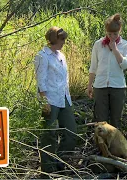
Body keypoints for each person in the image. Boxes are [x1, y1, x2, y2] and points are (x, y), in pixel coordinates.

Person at [34, 26, 77, 176]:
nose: (64, 42)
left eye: (64, 39)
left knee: (71, 132)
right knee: (49, 135)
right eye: (61, 39)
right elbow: (41, 80)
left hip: (64, 98)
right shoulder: (42, 56)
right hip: (50, 99)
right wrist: (44, 101)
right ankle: (48, 170)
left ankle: (60, 160)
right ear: (53, 39)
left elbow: (64, 78)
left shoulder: (61, 55)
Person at [86, 13, 127, 128]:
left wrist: (115, 49)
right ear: (106, 31)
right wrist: (90, 85)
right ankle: (101, 146)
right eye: (109, 33)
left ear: (119, 31)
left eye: (115, 34)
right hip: (100, 86)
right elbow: (93, 67)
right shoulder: (98, 44)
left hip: (118, 86)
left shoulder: (125, 45)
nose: (112, 36)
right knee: (101, 122)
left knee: (116, 121)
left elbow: (124, 65)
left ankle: (116, 146)